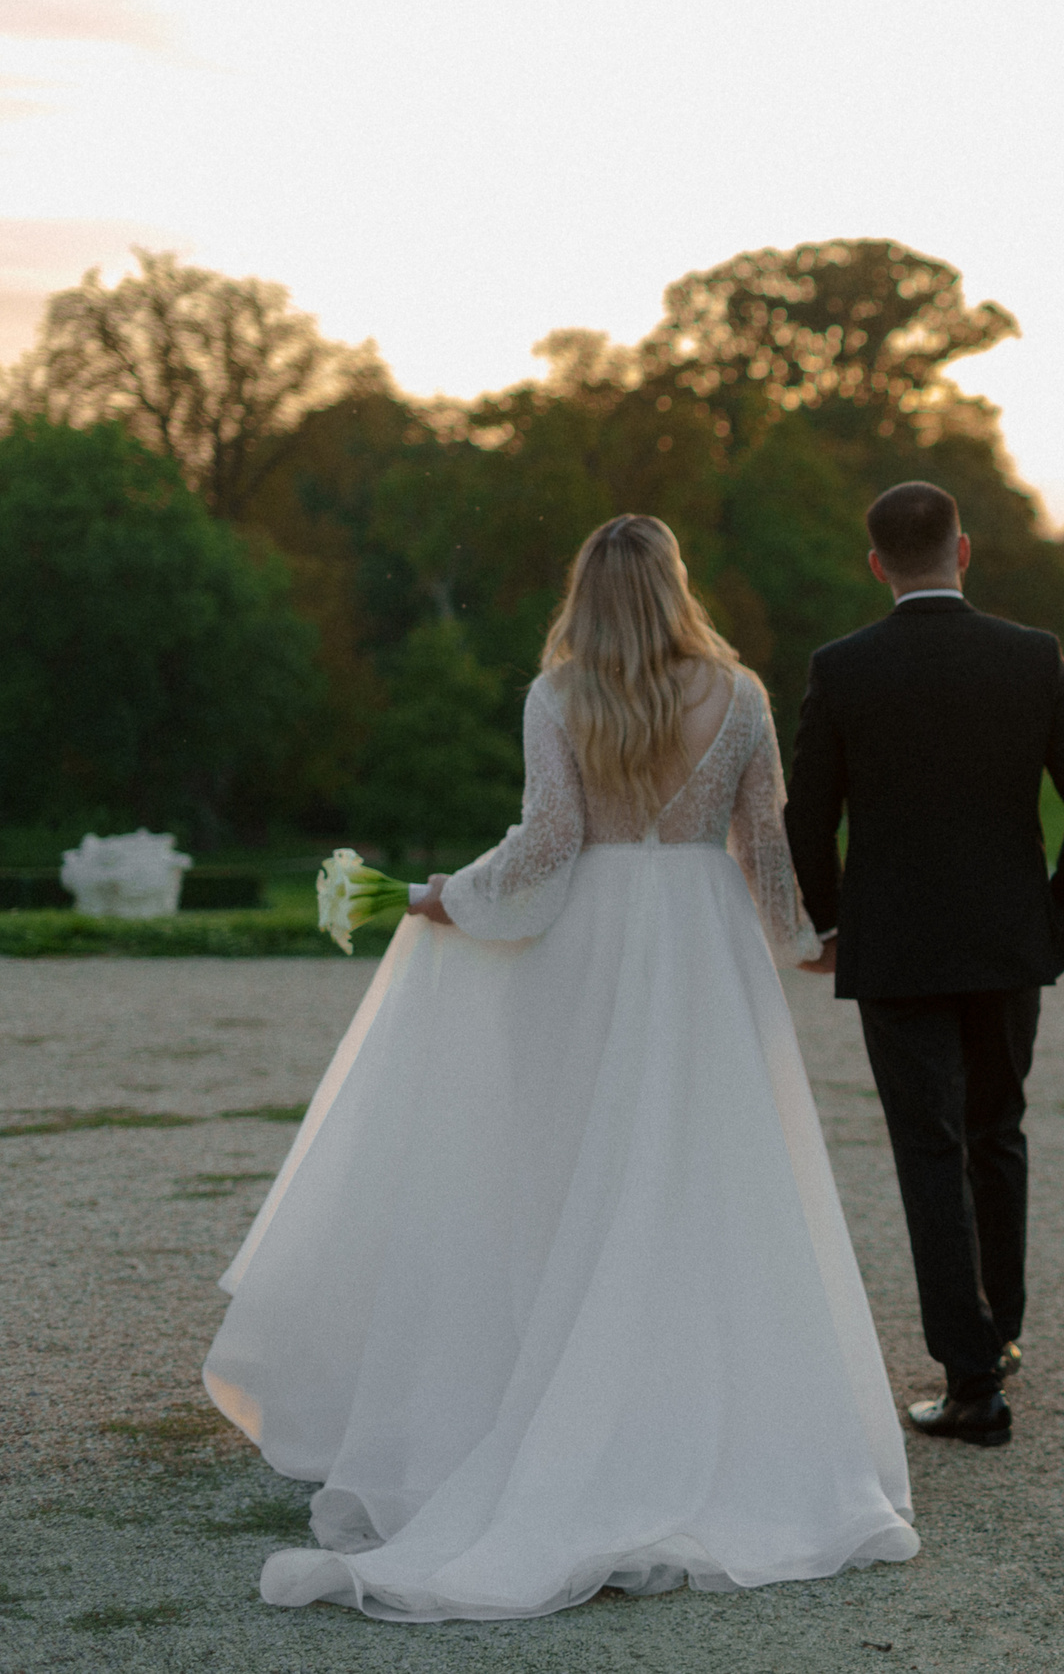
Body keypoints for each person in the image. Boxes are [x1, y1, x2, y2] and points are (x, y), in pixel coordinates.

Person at [201, 514, 918, 1622]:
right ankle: (699, 1414)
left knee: (578, 1173)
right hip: (699, 947)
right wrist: (796, 940)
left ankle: (571, 1401)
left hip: (592, 948)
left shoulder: (559, 694)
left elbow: (546, 846)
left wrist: (450, 895)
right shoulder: (738, 695)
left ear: (585, 593)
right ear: (676, 585)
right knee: (705, 1178)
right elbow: (763, 844)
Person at [786, 481, 1064, 1448]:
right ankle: (999, 1333)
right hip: (1010, 940)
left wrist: (830, 925)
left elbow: (809, 818)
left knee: (928, 1148)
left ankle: (971, 1378)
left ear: (877, 563)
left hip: (893, 950)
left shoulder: (842, 668)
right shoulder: (1030, 657)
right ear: (963, 552)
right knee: (997, 1128)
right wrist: (1059, 916)